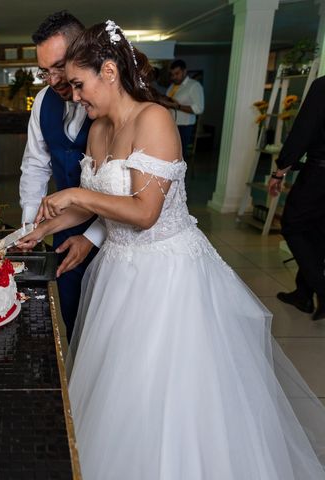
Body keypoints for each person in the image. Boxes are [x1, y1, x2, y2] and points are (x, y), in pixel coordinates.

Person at [20, 20, 325, 479]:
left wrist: (76, 196)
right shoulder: (100, 129)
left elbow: (144, 211)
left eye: (79, 84)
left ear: (108, 71)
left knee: (169, 392)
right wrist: (37, 232)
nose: (75, 95)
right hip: (119, 272)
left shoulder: (155, 119)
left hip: (168, 276)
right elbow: (93, 211)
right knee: (120, 388)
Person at [19, 11, 106, 340]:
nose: (53, 80)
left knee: (108, 323)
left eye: (60, 66)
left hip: (115, 232)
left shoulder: (108, 105)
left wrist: (93, 238)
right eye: (45, 71)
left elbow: (126, 191)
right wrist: (32, 226)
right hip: (64, 225)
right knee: (69, 309)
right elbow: (36, 164)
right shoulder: (43, 102)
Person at [269, 76, 325, 321]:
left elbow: (304, 128)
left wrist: (280, 169)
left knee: (292, 225)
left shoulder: (323, 86)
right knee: (318, 232)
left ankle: (322, 290)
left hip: (320, 174)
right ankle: (303, 294)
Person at [166, 59, 204, 153]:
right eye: (172, 74)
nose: (174, 77)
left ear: (184, 71)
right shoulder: (172, 86)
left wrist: (177, 106)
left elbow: (199, 109)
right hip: (170, 124)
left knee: (179, 156)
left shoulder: (194, 85)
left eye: (177, 73)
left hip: (184, 127)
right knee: (169, 154)